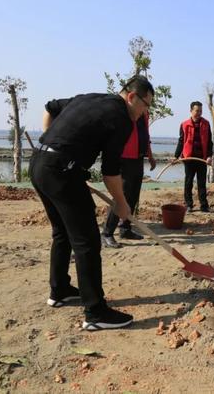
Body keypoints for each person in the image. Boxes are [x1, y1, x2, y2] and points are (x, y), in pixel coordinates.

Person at [31, 75, 154, 330]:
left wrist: (52, 146)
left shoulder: (90, 98)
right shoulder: (121, 119)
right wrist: (121, 204)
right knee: (87, 241)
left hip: (39, 164)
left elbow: (50, 108)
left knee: (62, 231)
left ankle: (60, 290)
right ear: (132, 97)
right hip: (61, 171)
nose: (145, 112)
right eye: (145, 105)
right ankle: (96, 313)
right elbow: (110, 172)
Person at [101, 91, 156, 249]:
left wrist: (150, 156)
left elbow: (146, 135)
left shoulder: (144, 114)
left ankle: (125, 228)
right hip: (123, 158)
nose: (144, 107)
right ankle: (107, 233)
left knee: (133, 195)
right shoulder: (123, 114)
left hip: (138, 158)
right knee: (121, 195)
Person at [173, 101, 213, 212]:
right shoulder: (184, 124)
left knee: (201, 183)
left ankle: (204, 206)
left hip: (202, 159)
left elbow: (210, 142)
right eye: (197, 111)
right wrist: (176, 156)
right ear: (191, 111)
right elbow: (181, 141)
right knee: (188, 182)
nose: (199, 113)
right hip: (189, 159)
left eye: (200, 111)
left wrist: (209, 156)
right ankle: (189, 205)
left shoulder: (206, 123)